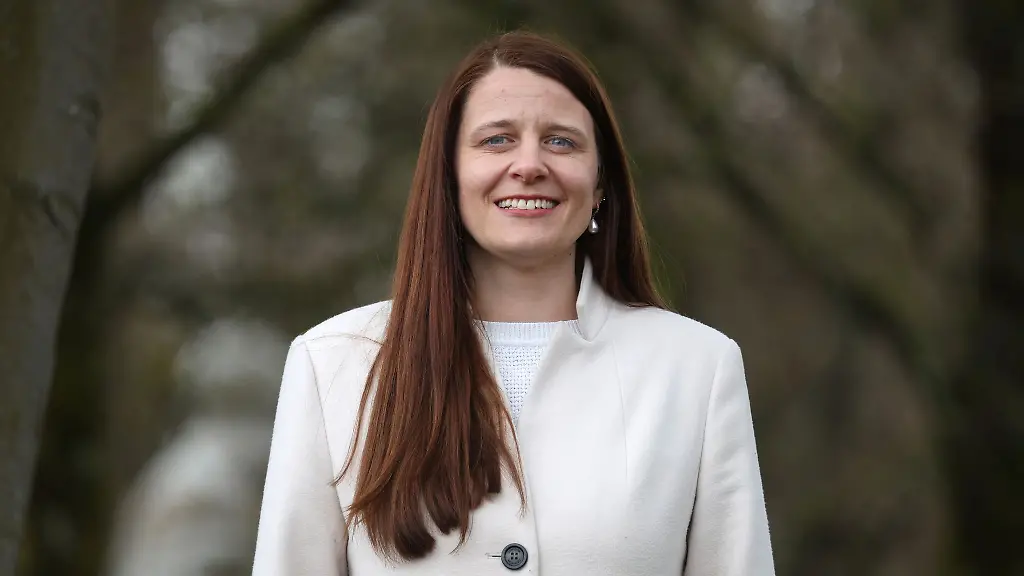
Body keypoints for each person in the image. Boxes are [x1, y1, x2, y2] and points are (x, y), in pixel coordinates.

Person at [253, 30, 775, 575]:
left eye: (562, 142)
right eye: (497, 140)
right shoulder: (333, 365)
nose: (529, 165)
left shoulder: (696, 368)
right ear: (449, 175)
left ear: (601, 185)